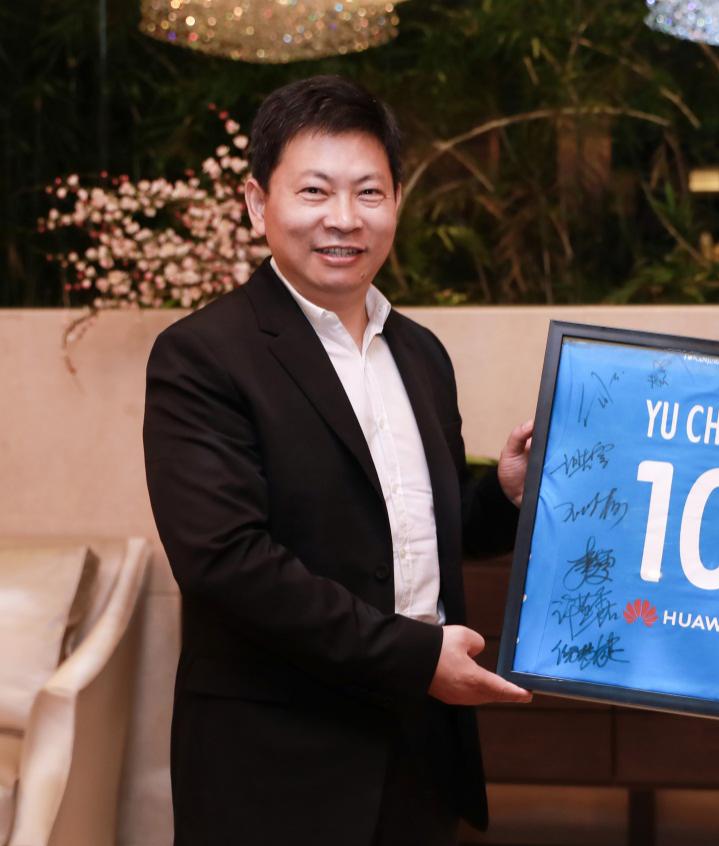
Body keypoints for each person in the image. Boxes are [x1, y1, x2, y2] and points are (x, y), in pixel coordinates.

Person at [143, 75, 532, 846]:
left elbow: (419, 527)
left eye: (369, 192)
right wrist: (415, 657)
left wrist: (504, 494)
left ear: (397, 202)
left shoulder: (420, 354)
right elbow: (227, 562)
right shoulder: (202, 356)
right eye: (315, 191)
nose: (345, 219)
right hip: (276, 765)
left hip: (419, 751)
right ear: (256, 203)